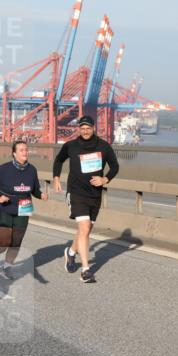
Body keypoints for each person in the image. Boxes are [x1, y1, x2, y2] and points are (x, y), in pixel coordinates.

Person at [52, 115, 119, 283]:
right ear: (79, 129)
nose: (85, 131)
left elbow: (115, 166)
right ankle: (86, 270)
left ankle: (71, 252)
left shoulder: (104, 146)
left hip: (95, 194)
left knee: (86, 230)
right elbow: (59, 160)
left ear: (94, 128)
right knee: (84, 227)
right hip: (76, 192)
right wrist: (56, 177)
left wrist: (105, 179)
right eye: (82, 128)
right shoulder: (71, 146)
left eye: (88, 128)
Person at [0, 140, 48, 277]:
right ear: (14, 153)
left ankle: (7, 267)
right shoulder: (4, 168)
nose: (25, 152)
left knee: (16, 241)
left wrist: (41, 195)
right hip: (5, 207)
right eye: (21, 150)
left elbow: (34, 190)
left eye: (26, 149)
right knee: (5, 241)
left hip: (24, 207)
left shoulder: (32, 170)